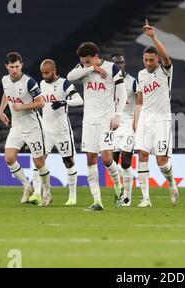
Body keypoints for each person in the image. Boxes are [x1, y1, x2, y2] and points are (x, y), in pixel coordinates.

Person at [67, 42, 127, 211]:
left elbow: (121, 93)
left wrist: (118, 114)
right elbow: (70, 76)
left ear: (95, 57)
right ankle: (97, 202)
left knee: (107, 158)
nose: (84, 64)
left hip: (106, 120)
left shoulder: (112, 68)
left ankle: (119, 186)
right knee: (90, 159)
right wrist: (91, 69)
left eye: (87, 61)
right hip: (89, 121)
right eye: (82, 62)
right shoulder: (85, 68)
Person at [134, 20, 179, 208]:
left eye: (151, 59)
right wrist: (136, 121)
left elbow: (166, 57)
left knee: (161, 162)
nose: (148, 62)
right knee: (142, 155)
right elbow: (139, 99)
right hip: (145, 118)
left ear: (157, 59)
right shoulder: (141, 75)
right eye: (146, 59)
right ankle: (145, 198)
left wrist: (152, 36)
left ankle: (171, 182)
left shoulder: (165, 71)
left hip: (162, 119)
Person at [0, 52, 51, 205]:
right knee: (9, 158)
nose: (14, 70)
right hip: (17, 127)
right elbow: (7, 94)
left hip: (33, 127)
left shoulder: (29, 82)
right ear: (7, 66)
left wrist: (23, 106)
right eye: (11, 67)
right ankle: (27, 187)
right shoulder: (5, 80)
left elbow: (41, 103)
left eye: (17, 66)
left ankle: (47, 193)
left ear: (21, 65)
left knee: (39, 163)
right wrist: (1, 110)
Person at [28, 59, 83, 206]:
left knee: (68, 162)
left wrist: (65, 102)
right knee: (38, 160)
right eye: (42, 73)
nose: (44, 76)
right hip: (45, 131)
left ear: (54, 70)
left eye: (47, 73)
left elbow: (79, 100)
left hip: (62, 131)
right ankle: (36, 194)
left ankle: (72, 196)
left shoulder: (64, 83)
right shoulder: (41, 84)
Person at [111, 53, 137, 207]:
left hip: (128, 124)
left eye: (121, 62)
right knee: (111, 162)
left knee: (126, 162)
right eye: (116, 63)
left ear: (124, 63)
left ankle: (127, 197)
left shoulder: (133, 82)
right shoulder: (109, 82)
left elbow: (141, 102)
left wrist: (136, 121)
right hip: (113, 124)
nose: (119, 65)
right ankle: (118, 189)